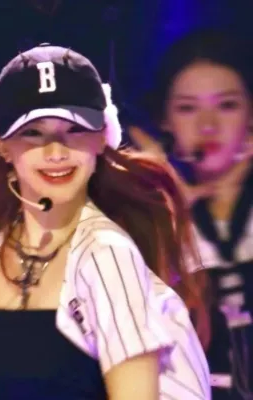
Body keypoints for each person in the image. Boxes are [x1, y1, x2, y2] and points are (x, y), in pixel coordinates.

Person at [0, 43, 210, 399]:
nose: (56, 150)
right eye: (33, 132)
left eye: (74, 129)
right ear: (3, 146)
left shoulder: (108, 254)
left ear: (101, 138)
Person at [131, 29, 253, 399]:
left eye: (227, 105)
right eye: (187, 108)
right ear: (164, 120)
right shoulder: (149, 220)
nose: (208, 126)